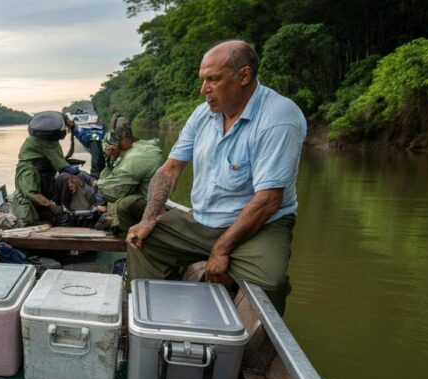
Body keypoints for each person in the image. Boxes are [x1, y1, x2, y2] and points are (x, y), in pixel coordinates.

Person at [125, 40, 306, 314]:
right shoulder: (203, 114)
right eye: (203, 80)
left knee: (271, 282)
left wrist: (221, 251)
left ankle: (260, 345)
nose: (204, 90)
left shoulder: (278, 117)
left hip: (261, 223)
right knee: (142, 241)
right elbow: (171, 168)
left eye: (213, 79)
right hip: (203, 219)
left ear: (243, 76)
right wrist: (148, 219)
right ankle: (152, 318)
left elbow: (269, 200)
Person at [12, 111, 82, 225]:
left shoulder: (50, 143)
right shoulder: (28, 170)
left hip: (47, 193)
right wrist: (52, 205)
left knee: (66, 178)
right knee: (31, 218)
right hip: (33, 204)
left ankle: (69, 210)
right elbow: (32, 194)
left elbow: (60, 164)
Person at [95, 117, 163, 234]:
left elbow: (109, 192)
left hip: (147, 211)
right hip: (145, 205)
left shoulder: (136, 156)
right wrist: (114, 159)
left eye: (116, 136)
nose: (113, 141)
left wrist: (109, 162)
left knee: (96, 222)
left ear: (125, 133)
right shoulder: (136, 148)